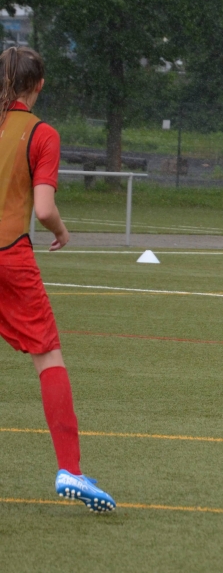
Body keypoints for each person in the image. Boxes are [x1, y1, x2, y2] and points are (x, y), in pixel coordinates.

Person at [0, 46, 115, 510]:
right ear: (40, 85)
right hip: (10, 257)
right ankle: (70, 469)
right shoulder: (42, 133)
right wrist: (63, 233)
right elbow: (44, 209)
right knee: (48, 356)